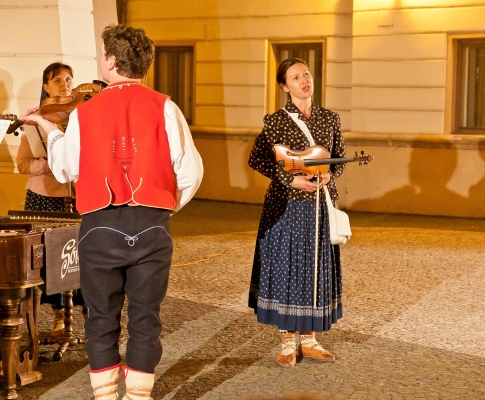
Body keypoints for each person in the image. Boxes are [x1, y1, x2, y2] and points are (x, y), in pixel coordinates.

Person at [20, 24, 203, 400]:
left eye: (103, 54)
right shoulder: (165, 106)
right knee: (145, 320)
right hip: (152, 226)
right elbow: (190, 173)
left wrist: (47, 128)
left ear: (112, 60)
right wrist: (161, 208)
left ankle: (105, 397)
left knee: (101, 320)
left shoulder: (87, 111)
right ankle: (138, 397)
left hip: (100, 227)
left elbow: (66, 168)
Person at [248, 58, 345, 367]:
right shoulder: (274, 121)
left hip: (319, 205)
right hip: (286, 206)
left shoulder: (329, 119)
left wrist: (330, 176)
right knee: (287, 269)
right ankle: (288, 343)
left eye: (306, 74)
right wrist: (291, 179)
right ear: (283, 86)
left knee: (314, 269)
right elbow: (259, 160)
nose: (304, 80)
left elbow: (338, 159)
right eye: (295, 77)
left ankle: (310, 340)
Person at [16, 62, 85, 335]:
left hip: (76, 197)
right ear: (46, 87)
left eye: (69, 79)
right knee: (50, 260)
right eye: (58, 80)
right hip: (42, 196)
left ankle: (88, 315)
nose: (66, 84)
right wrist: (53, 162)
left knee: (79, 256)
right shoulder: (35, 122)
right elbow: (23, 165)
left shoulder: (79, 120)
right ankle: (58, 318)